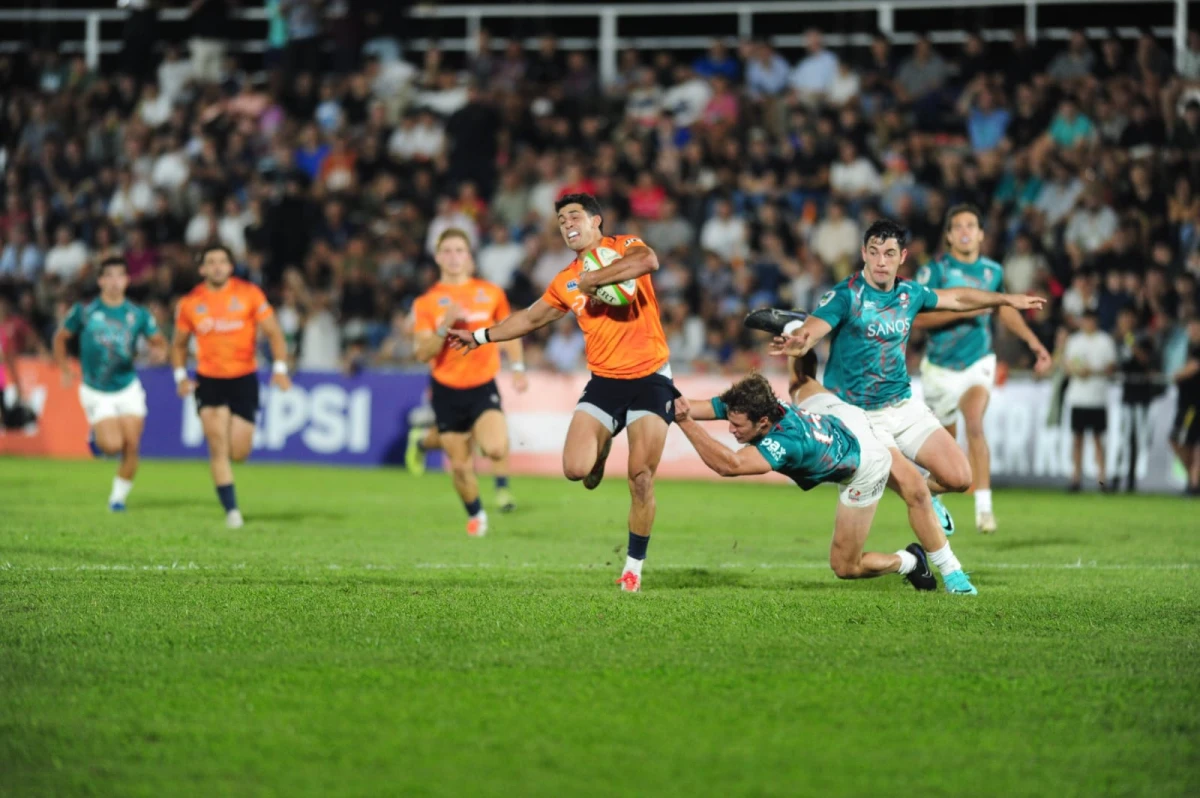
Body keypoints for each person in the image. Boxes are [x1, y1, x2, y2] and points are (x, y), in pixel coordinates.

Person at [448, 193, 678, 592]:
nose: (567, 223)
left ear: (596, 221)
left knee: (640, 478)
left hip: (651, 377)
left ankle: (632, 569)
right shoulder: (565, 279)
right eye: (560, 220)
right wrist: (480, 336)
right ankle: (601, 448)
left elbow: (648, 262)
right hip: (605, 381)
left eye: (574, 215)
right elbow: (532, 317)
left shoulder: (624, 246)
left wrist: (596, 279)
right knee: (576, 470)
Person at [762, 219, 1045, 521]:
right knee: (912, 493)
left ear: (903, 257)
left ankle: (928, 494)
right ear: (863, 253)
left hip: (901, 405)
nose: (881, 261)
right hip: (861, 416)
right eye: (874, 252)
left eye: (889, 253)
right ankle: (943, 562)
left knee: (960, 478)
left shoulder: (910, 294)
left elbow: (959, 298)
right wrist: (802, 338)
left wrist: (1006, 299)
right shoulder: (846, 295)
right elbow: (817, 327)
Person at [913, 204, 1053, 534]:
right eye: (957, 226)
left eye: (970, 225)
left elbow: (1003, 309)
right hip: (939, 369)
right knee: (945, 458)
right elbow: (917, 319)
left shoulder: (992, 272)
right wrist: (965, 309)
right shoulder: (934, 272)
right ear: (948, 236)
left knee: (974, 422)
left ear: (980, 234)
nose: (964, 231)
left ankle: (985, 509)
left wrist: (1034, 343)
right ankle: (934, 497)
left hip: (978, 362)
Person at [408, 228, 528, 536]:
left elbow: (509, 330)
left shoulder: (491, 293)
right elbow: (422, 353)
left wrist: (517, 366)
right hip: (446, 389)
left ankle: (425, 440)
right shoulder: (426, 302)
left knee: (495, 447)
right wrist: (444, 325)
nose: (453, 256)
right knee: (460, 466)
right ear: (437, 258)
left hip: (482, 385)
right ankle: (477, 516)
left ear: (469, 256)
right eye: (447, 250)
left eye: (459, 250)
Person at [171, 245, 292, 528]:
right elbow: (177, 345)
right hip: (209, 379)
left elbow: (275, 333)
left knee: (239, 451)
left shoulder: (249, 294)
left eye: (222, 261)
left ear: (230, 266)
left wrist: (280, 369)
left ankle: (231, 498)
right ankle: (232, 511)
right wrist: (180, 376)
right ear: (202, 269)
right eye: (210, 262)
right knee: (217, 447)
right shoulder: (191, 302)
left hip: (243, 378)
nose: (217, 266)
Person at [53, 256, 167, 511]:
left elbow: (158, 341)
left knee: (132, 444)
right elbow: (61, 338)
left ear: (127, 280)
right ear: (101, 281)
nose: (115, 282)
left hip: (127, 386)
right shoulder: (85, 312)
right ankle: (97, 436)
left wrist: (160, 350)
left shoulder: (137, 314)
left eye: (120, 276)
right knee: (112, 445)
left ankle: (117, 499)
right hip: (96, 389)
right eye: (110, 276)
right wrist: (64, 368)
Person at [1062, 310, 1117, 492]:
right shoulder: (1074, 341)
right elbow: (1068, 365)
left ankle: (1102, 479)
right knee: (1077, 439)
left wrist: (1091, 371)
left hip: (1097, 397)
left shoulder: (1105, 341)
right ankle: (1075, 478)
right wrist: (1078, 371)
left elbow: (1111, 367)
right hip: (1078, 397)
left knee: (1098, 439)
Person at [1168, 319, 1200, 495]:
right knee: (1179, 441)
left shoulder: (1196, 350)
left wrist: (1175, 374)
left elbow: (1193, 368)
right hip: (1185, 403)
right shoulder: (1187, 348)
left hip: (1194, 405)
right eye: (1191, 329)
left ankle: (1194, 481)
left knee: (1188, 441)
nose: (1193, 332)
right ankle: (1192, 478)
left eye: (1196, 328)